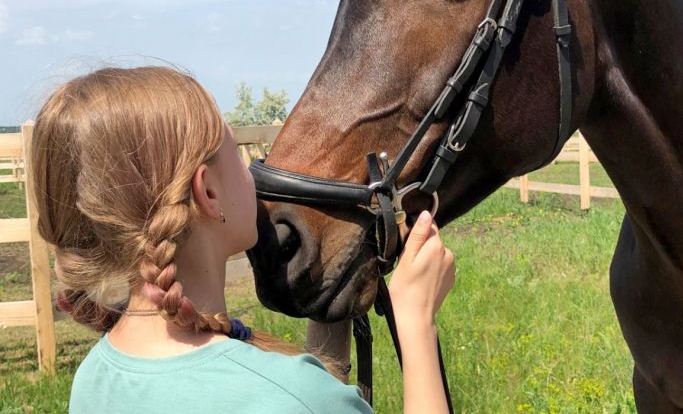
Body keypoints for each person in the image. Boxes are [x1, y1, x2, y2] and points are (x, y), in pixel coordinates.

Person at [31, 66, 456, 414]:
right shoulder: (296, 398)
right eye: (237, 155)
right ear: (209, 193)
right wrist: (416, 321)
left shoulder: (94, 375)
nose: (253, 170)